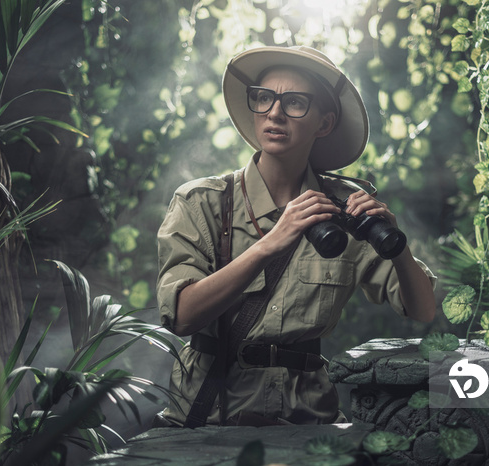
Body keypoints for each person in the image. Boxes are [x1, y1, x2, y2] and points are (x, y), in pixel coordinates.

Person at [156, 45, 436, 427]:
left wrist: (397, 245)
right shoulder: (202, 202)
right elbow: (180, 316)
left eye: (295, 103)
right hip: (210, 416)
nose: (274, 112)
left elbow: (422, 309)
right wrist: (269, 245)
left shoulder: (343, 210)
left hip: (307, 421)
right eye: (264, 98)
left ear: (324, 123)